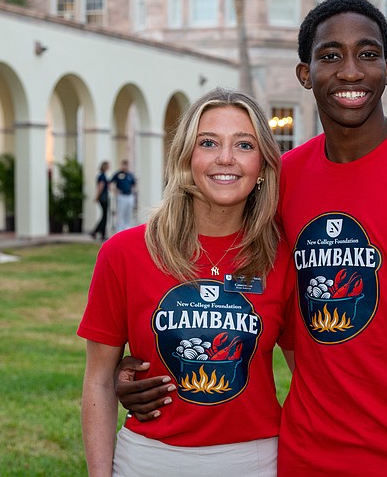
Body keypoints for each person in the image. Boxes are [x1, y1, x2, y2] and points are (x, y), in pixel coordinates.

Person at [115, 0, 387, 476]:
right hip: (303, 457)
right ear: (304, 73)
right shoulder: (280, 183)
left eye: (368, 54)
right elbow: (221, 281)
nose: (351, 72)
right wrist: (137, 372)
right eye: (331, 56)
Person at [78, 88, 294, 477]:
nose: (225, 158)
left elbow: (310, 376)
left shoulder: (280, 258)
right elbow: (97, 380)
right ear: (185, 159)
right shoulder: (124, 253)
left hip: (255, 460)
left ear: (262, 165)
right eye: (208, 143)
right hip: (148, 459)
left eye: (244, 145)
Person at [111, 160, 137, 232]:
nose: (124, 167)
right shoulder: (118, 174)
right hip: (121, 196)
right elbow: (111, 183)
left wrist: (133, 192)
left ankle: (127, 228)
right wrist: (115, 190)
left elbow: (134, 184)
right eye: (123, 165)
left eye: (126, 165)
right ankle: (119, 229)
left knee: (128, 213)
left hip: (129, 196)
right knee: (120, 213)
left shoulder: (130, 175)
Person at [90, 161, 110, 241]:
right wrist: (97, 197)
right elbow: (100, 187)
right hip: (103, 197)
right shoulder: (102, 176)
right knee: (104, 216)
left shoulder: (103, 175)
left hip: (103, 197)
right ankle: (99, 232)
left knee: (104, 216)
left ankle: (99, 232)